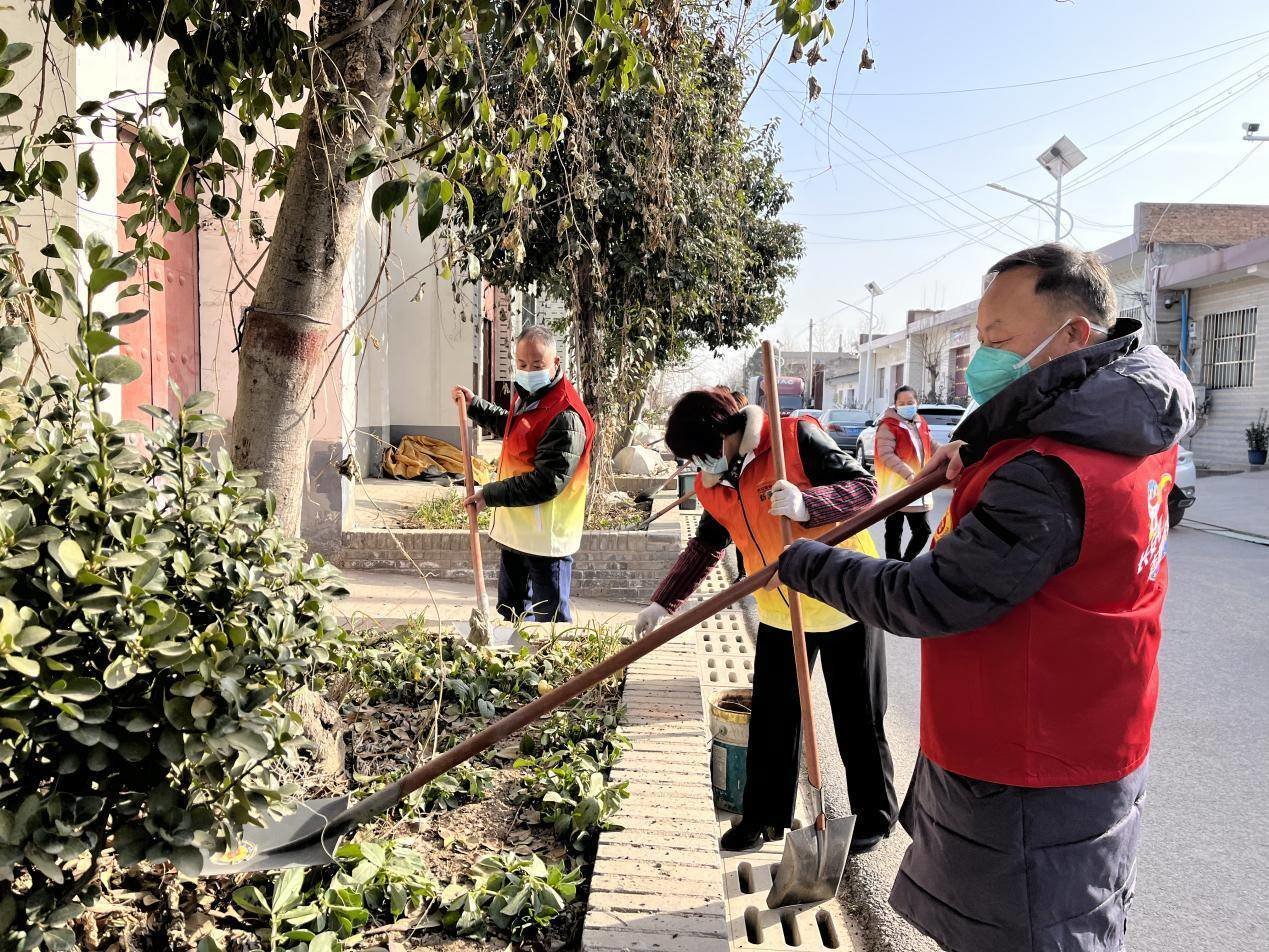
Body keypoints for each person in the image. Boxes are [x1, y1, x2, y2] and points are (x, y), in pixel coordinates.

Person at [773, 244, 1195, 952]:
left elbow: (928, 596)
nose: (981, 358)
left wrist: (809, 562)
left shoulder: (1048, 471)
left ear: (1073, 338)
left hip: (1028, 760)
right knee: (1070, 921)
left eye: (998, 340)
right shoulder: (1124, 429)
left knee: (1023, 935)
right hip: (1085, 732)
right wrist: (979, 448)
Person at [634, 389, 897, 853]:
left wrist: (807, 505)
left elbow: (865, 489)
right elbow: (705, 547)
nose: (701, 464)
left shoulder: (795, 437)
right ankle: (762, 817)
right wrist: (663, 603)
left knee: (856, 714)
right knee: (773, 718)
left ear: (725, 433)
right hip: (780, 607)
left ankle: (873, 818)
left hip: (844, 600)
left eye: (703, 452)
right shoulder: (712, 484)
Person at [452, 326, 595, 622]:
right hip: (518, 532)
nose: (528, 370)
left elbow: (547, 482)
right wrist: (474, 406)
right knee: (512, 611)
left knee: (550, 622)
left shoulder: (565, 415)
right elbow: (516, 430)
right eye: (522, 364)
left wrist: (489, 494)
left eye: (537, 365)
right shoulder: (529, 396)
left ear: (556, 363)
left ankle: (555, 668)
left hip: (546, 540)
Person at [874, 385, 940, 561]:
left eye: (910, 402)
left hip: (918, 486)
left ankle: (904, 564)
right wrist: (909, 474)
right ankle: (891, 565)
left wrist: (947, 454)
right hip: (896, 486)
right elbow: (886, 454)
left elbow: (931, 446)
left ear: (917, 403)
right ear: (895, 405)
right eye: (901, 403)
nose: (906, 406)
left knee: (922, 531)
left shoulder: (921, 423)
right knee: (894, 529)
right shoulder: (888, 426)